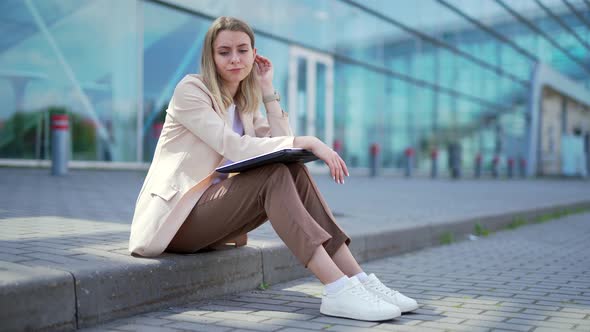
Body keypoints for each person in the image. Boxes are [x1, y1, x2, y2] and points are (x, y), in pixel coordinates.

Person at [129, 16, 418, 322]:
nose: (235, 58)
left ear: (255, 54)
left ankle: (359, 280)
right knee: (274, 174)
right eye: (224, 51)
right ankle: (336, 288)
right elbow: (235, 147)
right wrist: (310, 142)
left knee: (290, 169)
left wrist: (266, 89)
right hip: (178, 220)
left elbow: (281, 145)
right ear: (210, 57)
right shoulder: (192, 90)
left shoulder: (243, 103)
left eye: (242, 50)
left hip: (215, 215)